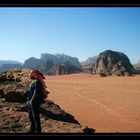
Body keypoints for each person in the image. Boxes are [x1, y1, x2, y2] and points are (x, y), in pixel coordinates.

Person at [26, 69, 49, 133]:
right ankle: (32, 129)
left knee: (35, 117)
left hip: (34, 102)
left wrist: (32, 101)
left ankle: (38, 131)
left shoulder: (37, 82)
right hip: (31, 101)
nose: (30, 74)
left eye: (31, 73)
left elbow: (36, 92)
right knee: (31, 116)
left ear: (34, 74)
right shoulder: (33, 81)